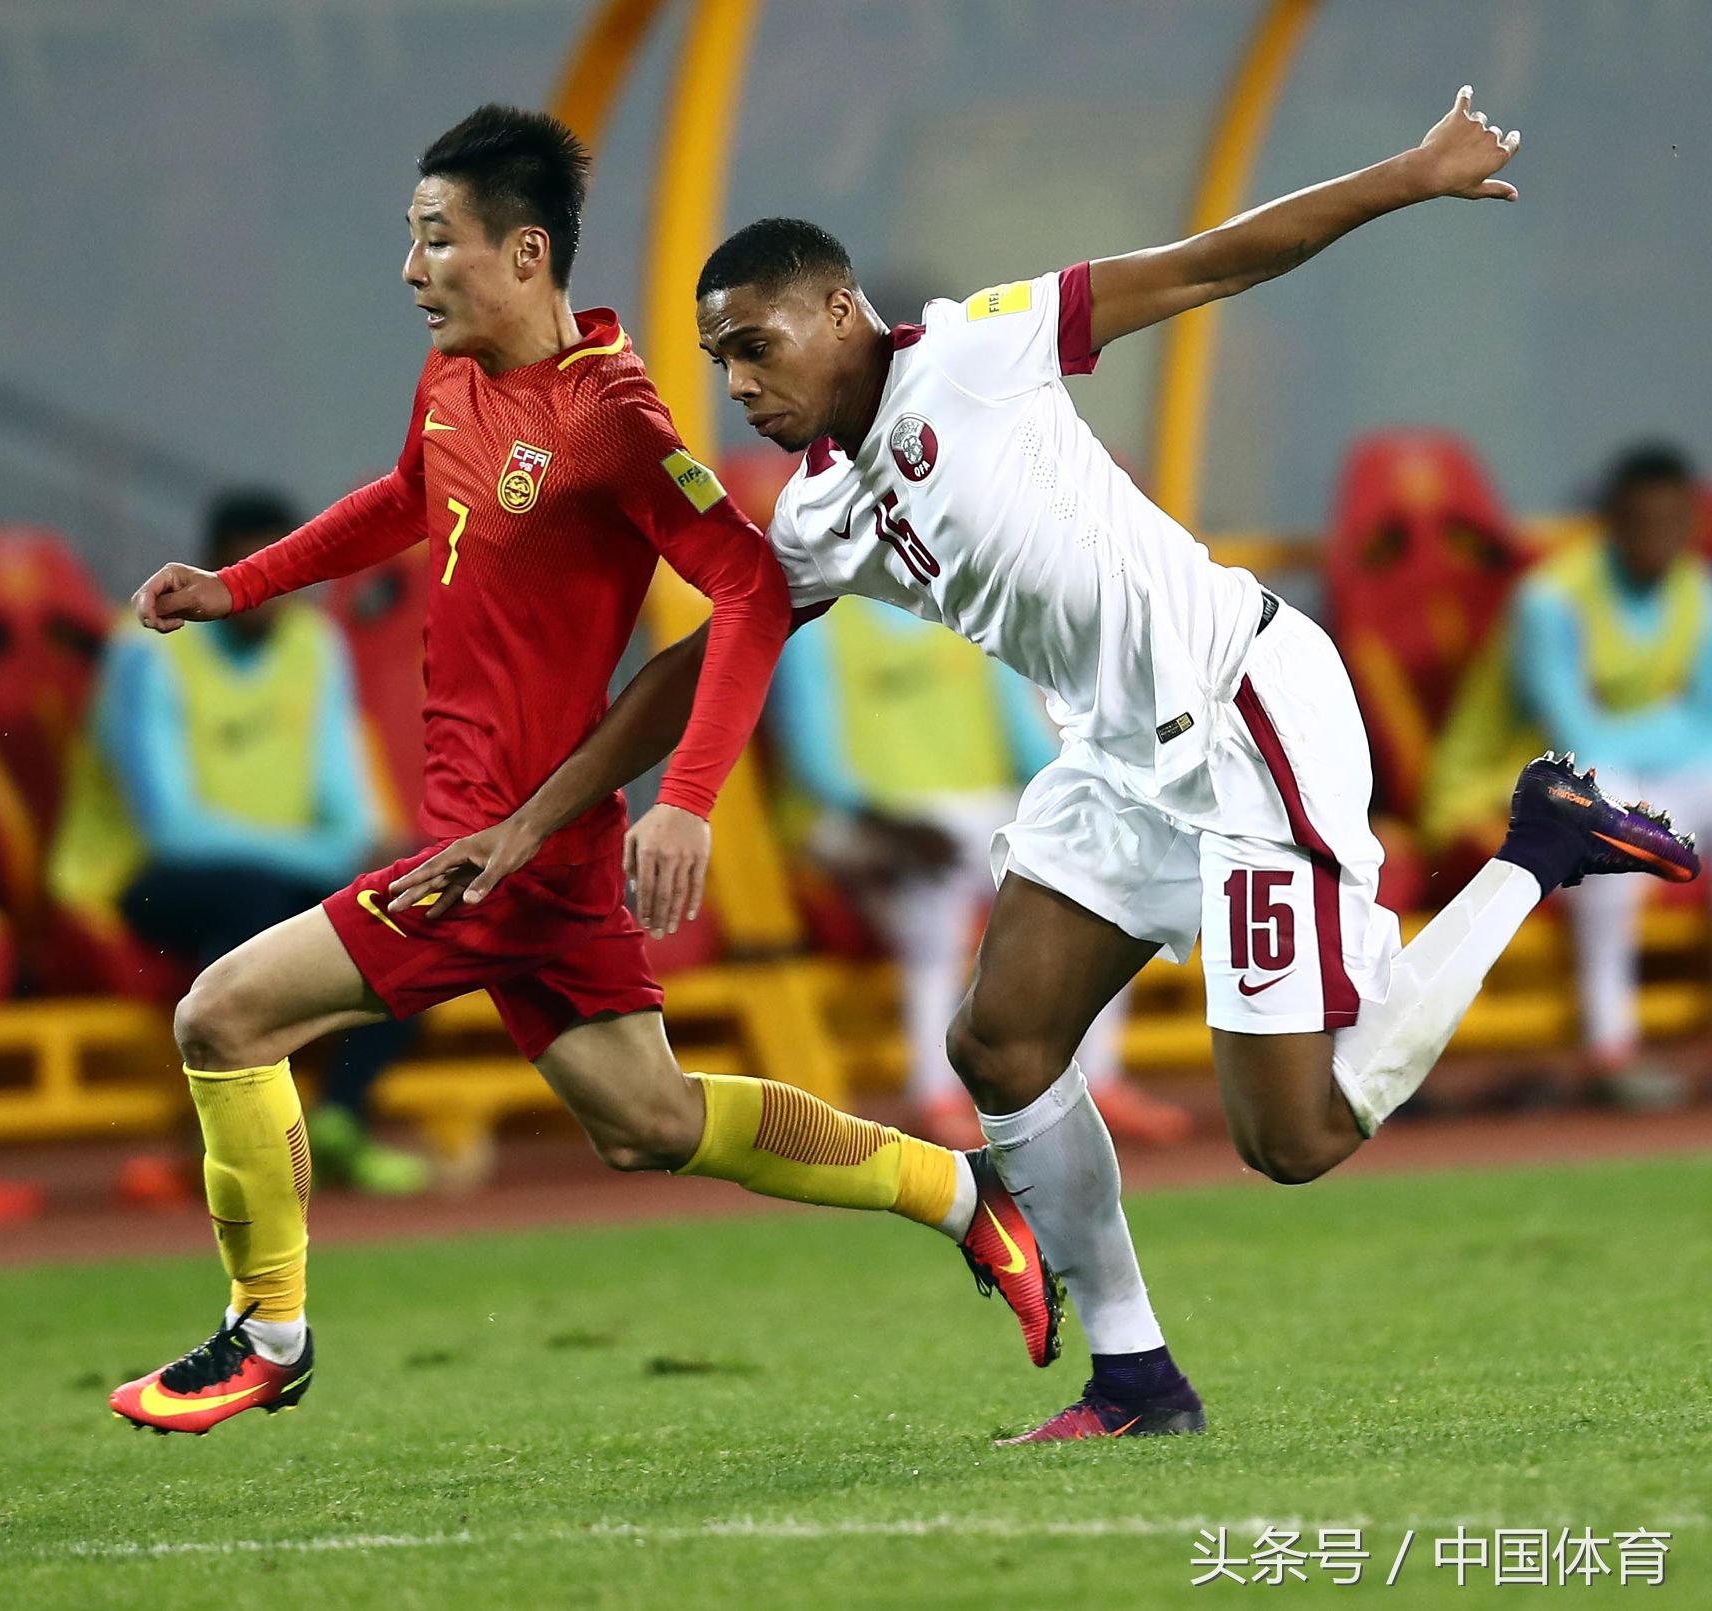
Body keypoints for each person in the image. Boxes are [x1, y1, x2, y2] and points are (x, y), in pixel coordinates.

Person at [395, 89, 1698, 1443]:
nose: (739, 385)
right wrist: (536, 817)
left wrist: (1411, 175)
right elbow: (703, 660)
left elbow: (1210, 262)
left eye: (757, 347)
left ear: (839, 312)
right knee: (998, 1044)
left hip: (1242, 717)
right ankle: (1135, 1379)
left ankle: (1539, 845)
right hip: (1114, 761)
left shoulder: (982, 348)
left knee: (1295, 1139)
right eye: (720, 361)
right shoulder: (821, 512)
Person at [108, 105, 1064, 1436]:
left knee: (221, 1018)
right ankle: (960, 1192)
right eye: (411, 239)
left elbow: (751, 590)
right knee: (648, 1120)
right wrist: (242, 584)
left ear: (525, 254)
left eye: (436, 239)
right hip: (495, 841)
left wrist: (687, 803)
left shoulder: (611, 419)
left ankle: (267, 1332)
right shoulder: (453, 376)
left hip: (503, 853)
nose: (411, 269)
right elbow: (408, 493)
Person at [98, 488, 432, 1194]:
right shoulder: (146, 649)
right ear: (209, 571)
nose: (261, 590)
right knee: (254, 905)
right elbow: (171, 829)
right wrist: (332, 858)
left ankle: (340, 1119)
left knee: (406, 905)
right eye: (242, 569)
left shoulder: (315, 644)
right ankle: (228, 1137)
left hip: (280, 878)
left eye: (274, 568)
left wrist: (369, 856)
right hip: (145, 878)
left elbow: (343, 791)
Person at [767, 602, 1186, 1147]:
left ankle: (1096, 1080)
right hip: (854, 819)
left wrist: (1097, 796)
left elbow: (1026, 740)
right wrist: (885, 821)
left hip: (973, 814)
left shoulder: (967, 611)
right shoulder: (820, 623)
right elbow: (815, 758)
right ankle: (935, 1093)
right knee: (933, 902)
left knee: (1108, 879)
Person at [1505, 445, 1712, 1102]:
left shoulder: (1699, 592)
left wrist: (1670, 735)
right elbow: (1577, 739)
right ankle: (1609, 1048)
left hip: (1654, 777)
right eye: (1642, 521)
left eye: (1672, 521)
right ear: (1612, 520)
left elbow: (1708, 723)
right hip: (1529, 783)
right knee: (1607, 828)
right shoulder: (1549, 598)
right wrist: (1672, 726)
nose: (1658, 537)